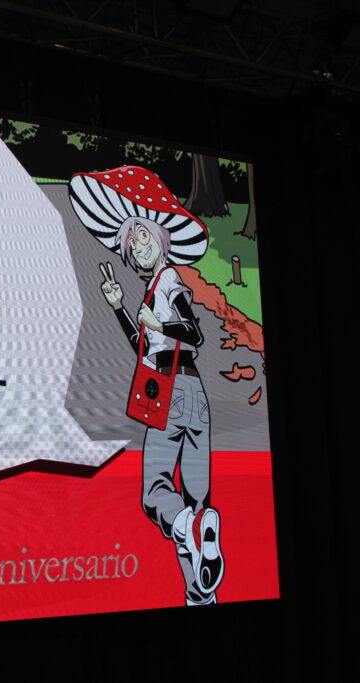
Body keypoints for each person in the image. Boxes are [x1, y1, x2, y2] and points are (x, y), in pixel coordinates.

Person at [99, 216, 224, 605]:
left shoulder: (168, 280)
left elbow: (193, 332)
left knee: (155, 492)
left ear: (160, 237)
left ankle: (191, 534)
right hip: (193, 395)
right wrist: (119, 307)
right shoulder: (156, 287)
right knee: (195, 507)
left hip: (172, 391)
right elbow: (144, 344)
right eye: (131, 244)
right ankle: (200, 595)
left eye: (142, 236)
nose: (138, 246)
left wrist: (159, 323)